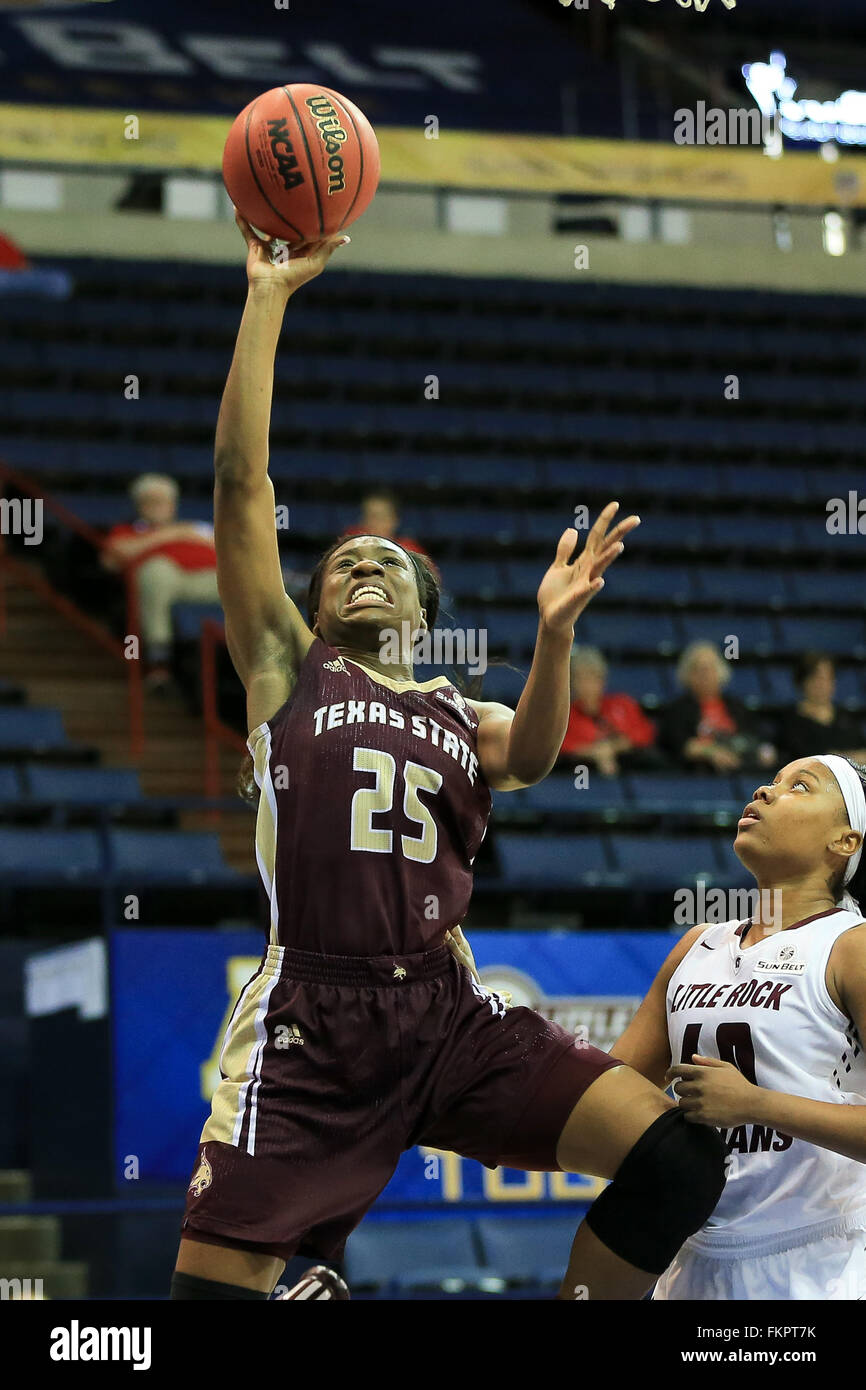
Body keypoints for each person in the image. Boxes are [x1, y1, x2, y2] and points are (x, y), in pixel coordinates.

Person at [169, 214, 727, 1303]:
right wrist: (268, 297)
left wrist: (554, 634)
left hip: (447, 1009)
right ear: (317, 605)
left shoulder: (457, 709)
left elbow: (528, 750)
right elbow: (240, 480)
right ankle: (308, 1277)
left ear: (424, 610)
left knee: (673, 1159)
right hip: (309, 1021)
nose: (362, 572)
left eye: (387, 565)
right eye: (342, 566)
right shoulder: (287, 668)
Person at [612, 753, 866, 1299]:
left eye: (801, 786)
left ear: (846, 841)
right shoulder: (698, 944)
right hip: (689, 1260)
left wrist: (757, 1105)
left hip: (820, 1262)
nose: (765, 791)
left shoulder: (852, 947)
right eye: (771, 781)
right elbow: (614, 1089)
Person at [101, 473, 219, 689]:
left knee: (245, 575)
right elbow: (111, 560)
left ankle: (288, 586)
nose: (157, 507)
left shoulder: (198, 527)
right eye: (151, 501)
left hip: (211, 582)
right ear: (139, 505)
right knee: (156, 570)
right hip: (165, 584)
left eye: (163, 501)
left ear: (173, 504)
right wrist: (170, 535)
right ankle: (159, 663)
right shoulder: (128, 531)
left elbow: (228, 551)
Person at [658, 640, 775, 773]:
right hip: (700, 773)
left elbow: (755, 738)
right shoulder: (678, 709)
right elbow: (681, 745)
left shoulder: (737, 706)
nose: (705, 675)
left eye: (710, 668)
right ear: (687, 675)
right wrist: (712, 752)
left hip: (742, 766)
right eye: (698, 669)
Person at [557, 645, 658, 776]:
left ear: (603, 681)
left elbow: (645, 733)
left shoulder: (623, 704)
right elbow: (560, 747)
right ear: (572, 682)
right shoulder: (565, 713)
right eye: (581, 679)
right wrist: (594, 752)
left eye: (594, 678)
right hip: (581, 770)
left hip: (627, 764)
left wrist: (613, 747)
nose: (588, 685)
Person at [777, 651, 866, 765]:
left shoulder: (846, 718)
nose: (823, 684)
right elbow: (811, 759)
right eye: (817, 678)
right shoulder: (791, 721)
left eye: (828, 678)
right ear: (803, 681)